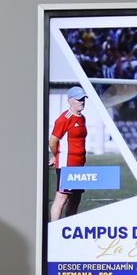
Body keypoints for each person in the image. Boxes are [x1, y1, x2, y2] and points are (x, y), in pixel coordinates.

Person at [49, 86, 89, 220]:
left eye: (83, 98)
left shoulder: (82, 118)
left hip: (79, 165)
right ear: (70, 101)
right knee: (62, 197)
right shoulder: (64, 119)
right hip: (67, 164)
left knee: (76, 197)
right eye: (78, 99)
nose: (82, 101)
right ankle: (55, 229)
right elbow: (53, 141)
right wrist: (57, 156)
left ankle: (69, 225)